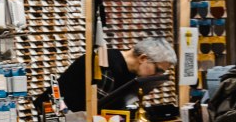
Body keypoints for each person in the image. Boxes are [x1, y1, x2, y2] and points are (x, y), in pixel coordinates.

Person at [48, 37, 176, 115]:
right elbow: (98, 111)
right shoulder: (106, 65)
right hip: (56, 116)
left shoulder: (131, 72)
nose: (158, 76)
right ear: (143, 58)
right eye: (158, 70)